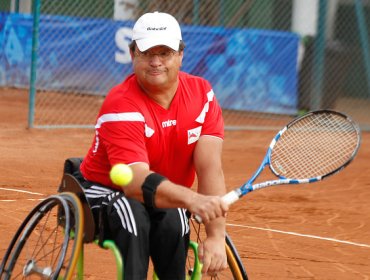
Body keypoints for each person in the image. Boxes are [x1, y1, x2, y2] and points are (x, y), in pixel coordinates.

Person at [80, 11, 229, 279]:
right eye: (148, 53)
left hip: (164, 193)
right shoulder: (121, 104)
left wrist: (216, 236)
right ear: (133, 53)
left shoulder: (202, 94)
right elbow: (135, 181)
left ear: (181, 54)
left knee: (174, 218)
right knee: (133, 213)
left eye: (165, 52)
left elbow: (210, 169)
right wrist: (192, 199)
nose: (156, 62)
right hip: (107, 191)